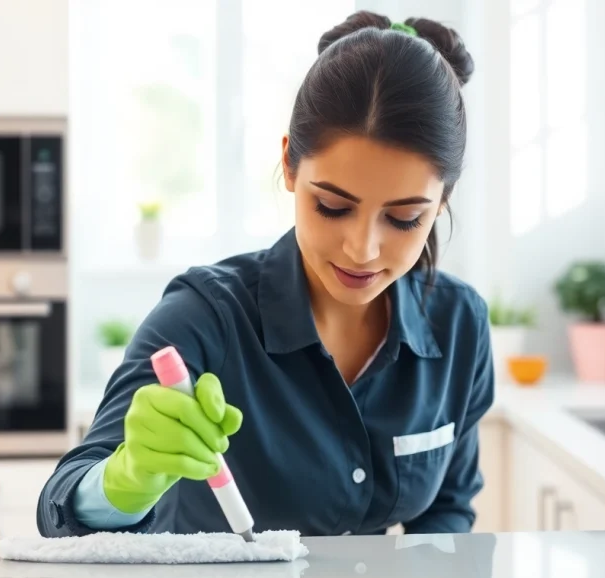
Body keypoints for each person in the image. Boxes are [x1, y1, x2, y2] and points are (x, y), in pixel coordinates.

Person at [38, 10, 493, 538]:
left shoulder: (459, 323)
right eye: (332, 206)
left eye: (403, 218)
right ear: (291, 166)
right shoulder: (204, 316)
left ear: (443, 202)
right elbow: (63, 502)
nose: (363, 249)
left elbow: (448, 512)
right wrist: (124, 478)